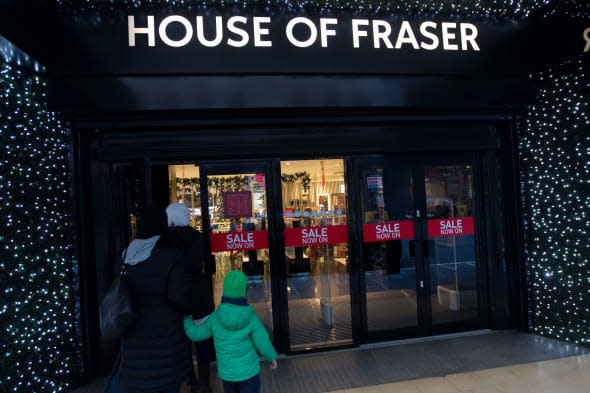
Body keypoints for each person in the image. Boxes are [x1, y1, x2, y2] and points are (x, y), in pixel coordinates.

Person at [120, 207, 209, 393]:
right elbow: (179, 296)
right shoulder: (167, 254)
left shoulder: (126, 255)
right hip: (164, 333)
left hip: (133, 335)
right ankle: (201, 381)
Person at [184, 270, 278, 393]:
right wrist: (271, 357)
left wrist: (186, 318)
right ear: (244, 292)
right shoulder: (251, 316)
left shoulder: (215, 317)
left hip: (227, 375)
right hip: (249, 373)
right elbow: (262, 342)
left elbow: (195, 334)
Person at [163, 202, 214, 393]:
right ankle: (205, 383)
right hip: (199, 293)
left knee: (181, 340)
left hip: (177, 294)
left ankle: (190, 378)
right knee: (201, 341)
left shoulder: (166, 240)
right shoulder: (198, 237)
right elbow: (207, 263)